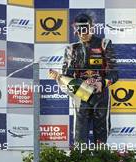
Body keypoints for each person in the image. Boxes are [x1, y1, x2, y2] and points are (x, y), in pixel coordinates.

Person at [49, 13, 118, 143]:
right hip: (81, 94)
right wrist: (59, 77)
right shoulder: (71, 49)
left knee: (102, 135)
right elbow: (67, 77)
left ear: (92, 28)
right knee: (80, 135)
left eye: (85, 30)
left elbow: (114, 73)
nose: (82, 34)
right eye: (79, 31)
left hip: (100, 94)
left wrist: (102, 83)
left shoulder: (104, 44)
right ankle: (79, 161)